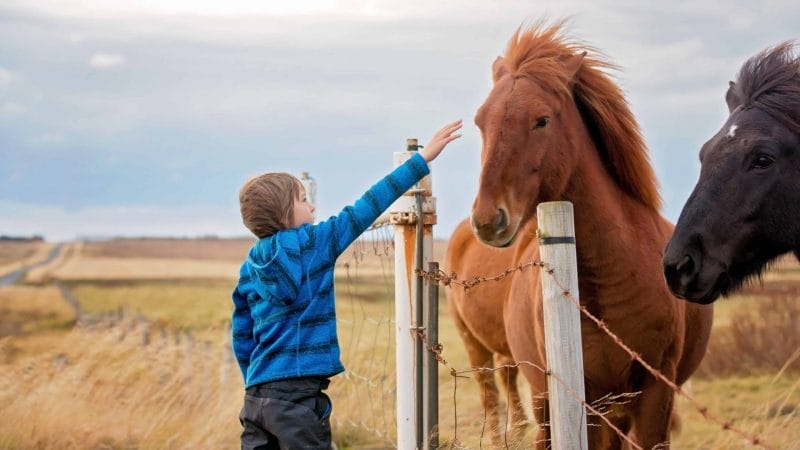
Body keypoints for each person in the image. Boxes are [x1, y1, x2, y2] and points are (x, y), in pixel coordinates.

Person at [232, 119, 462, 449]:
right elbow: (367, 206)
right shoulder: (316, 242)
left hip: (256, 398)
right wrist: (422, 160)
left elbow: (242, 332)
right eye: (302, 199)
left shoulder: (249, 266)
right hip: (298, 401)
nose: (311, 205)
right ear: (284, 213)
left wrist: (254, 378)